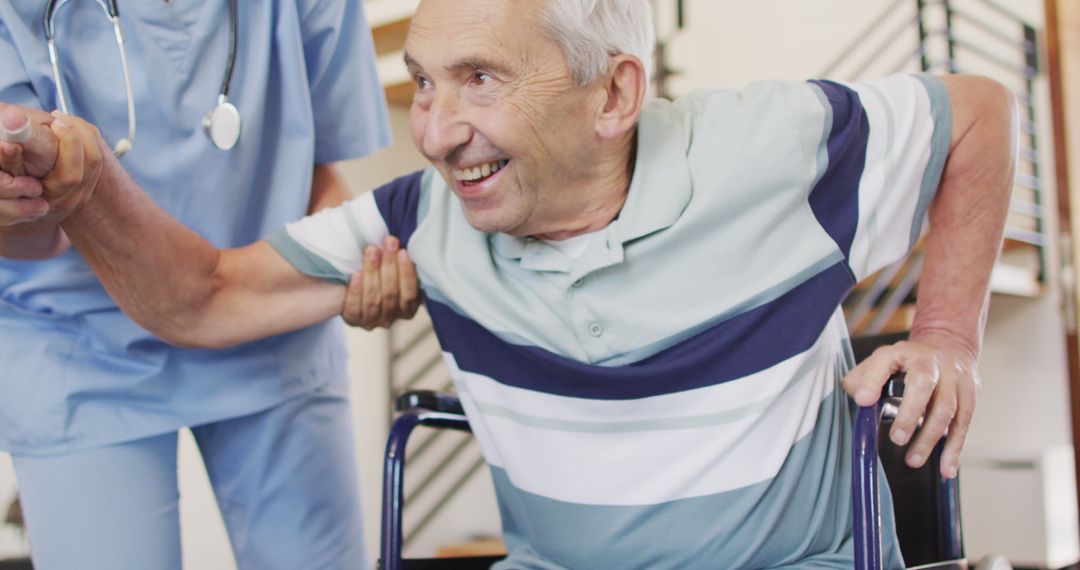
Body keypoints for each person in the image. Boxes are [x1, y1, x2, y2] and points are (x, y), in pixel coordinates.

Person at [6, 0, 1017, 567]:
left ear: (615, 93)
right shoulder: (425, 214)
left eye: (481, 79)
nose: (437, 129)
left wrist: (949, 335)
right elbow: (209, 296)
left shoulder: (774, 150)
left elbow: (976, 110)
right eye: (426, 80)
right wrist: (87, 184)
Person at [0, 2, 419, 569]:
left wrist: (364, 261)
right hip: (79, 352)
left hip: (268, 325)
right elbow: (30, 228)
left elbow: (320, 167)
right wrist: (22, 199)